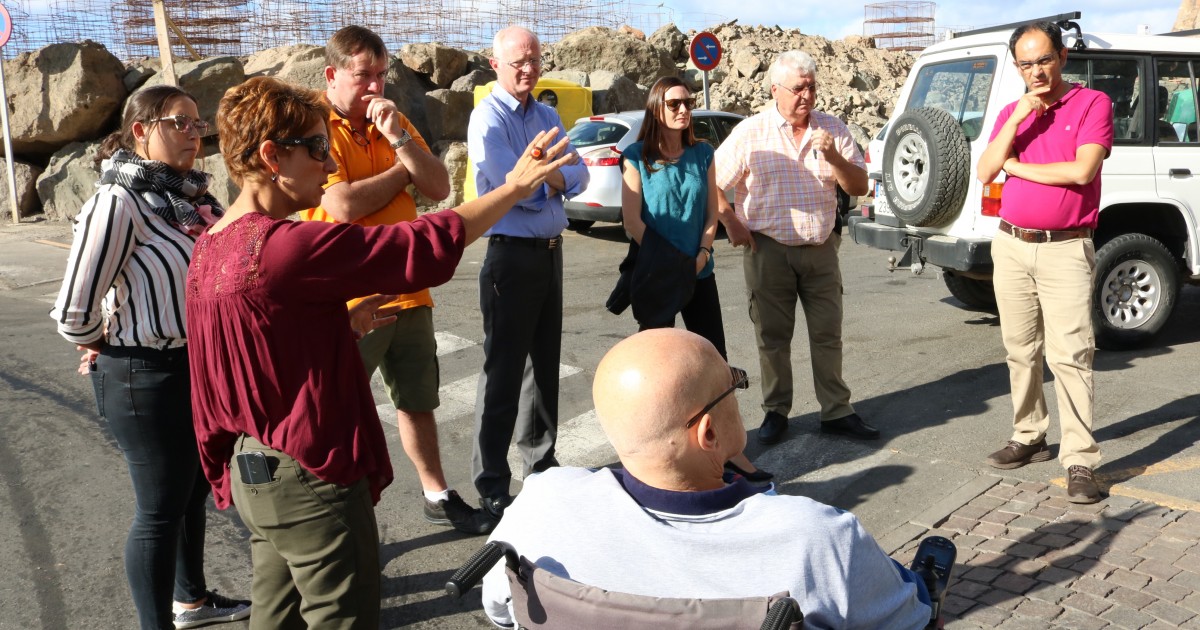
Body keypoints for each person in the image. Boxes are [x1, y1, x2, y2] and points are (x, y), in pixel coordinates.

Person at [187, 75, 576, 629]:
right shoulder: (285, 248)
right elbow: (422, 242)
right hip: (309, 470)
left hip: (254, 471)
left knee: (275, 616)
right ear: (272, 156)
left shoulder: (211, 246)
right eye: (316, 148)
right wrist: (513, 187)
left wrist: (336, 326)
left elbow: (238, 360)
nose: (329, 164)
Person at [480, 329, 932, 629]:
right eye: (732, 385)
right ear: (709, 433)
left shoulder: (542, 503)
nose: (738, 392)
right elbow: (913, 620)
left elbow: (501, 610)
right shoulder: (815, 539)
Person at [49, 85, 250, 630]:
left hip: (194, 367)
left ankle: (192, 602)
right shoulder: (117, 202)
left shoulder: (189, 200)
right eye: (179, 123)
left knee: (190, 494)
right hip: (143, 375)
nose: (194, 134)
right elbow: (73, 311)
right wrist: (105, 344)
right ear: (140, 130)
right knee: (159, 511)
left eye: (197, 124)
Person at [299, 25, 491, 535]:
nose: (375, 86)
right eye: (364, 75)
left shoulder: (393, 121)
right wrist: (403, 173)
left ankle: (437, 494)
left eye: (382, 75)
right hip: (348, 300)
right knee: (338, 410)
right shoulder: (315, 125)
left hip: (408, 290)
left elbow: (439, 186)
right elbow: (341, 206)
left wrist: (400, 141)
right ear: (332, 74)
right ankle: (336, 515)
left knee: (418, 401)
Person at [977, 21, 1111, 504]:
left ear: (1063, 57)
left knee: (1070, 355)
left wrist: (1016, 166)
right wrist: (1015, 121)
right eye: (1025, 64)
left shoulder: (1092, 103)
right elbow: (985, 170)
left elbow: (1082, 171)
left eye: (1044, 60)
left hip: (1065, 248)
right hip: (1011, 245)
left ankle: (1079, 459)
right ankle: (1029, 435)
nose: (1036, 71)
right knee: (1020, 350)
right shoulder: (1011, 112)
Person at [714, 50, 874, 446]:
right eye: (798, 88)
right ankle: (776, 411)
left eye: (812, 87)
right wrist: (730, 220)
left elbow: (859, 186)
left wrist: (833, 156)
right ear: (775, 90)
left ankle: (836, 411)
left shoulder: (832, 128)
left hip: (821, 249)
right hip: (768, 250)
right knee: (772, 337)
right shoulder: (751, 132)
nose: (807, 96)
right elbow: (711, 181)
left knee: (827, 333)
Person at [619, 76, 771, 483]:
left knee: (714, 365)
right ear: (656, 109)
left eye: (687, 102)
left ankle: (732, 453)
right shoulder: (635, 157)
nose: (684, 109)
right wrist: (671, 262)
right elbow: (632, 222)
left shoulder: (702, 154)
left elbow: (709, 214)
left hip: (699, 272)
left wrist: (703, 252)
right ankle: (658, 459)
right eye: (674, 104)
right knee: (657, 372)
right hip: (657, 276)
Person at [467, 25, 590, 520]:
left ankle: (541, 466)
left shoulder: (548, 115)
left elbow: (579, 175)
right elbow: (512, 186)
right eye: (518, 61)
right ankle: (492, 481)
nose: (528, 69)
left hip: (550, 252)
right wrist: (550, 180)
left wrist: (547, 175)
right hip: (511, 255)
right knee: (502, 372)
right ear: (495, 64)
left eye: (535, 59)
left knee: (543, 367)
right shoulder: (487, 118)